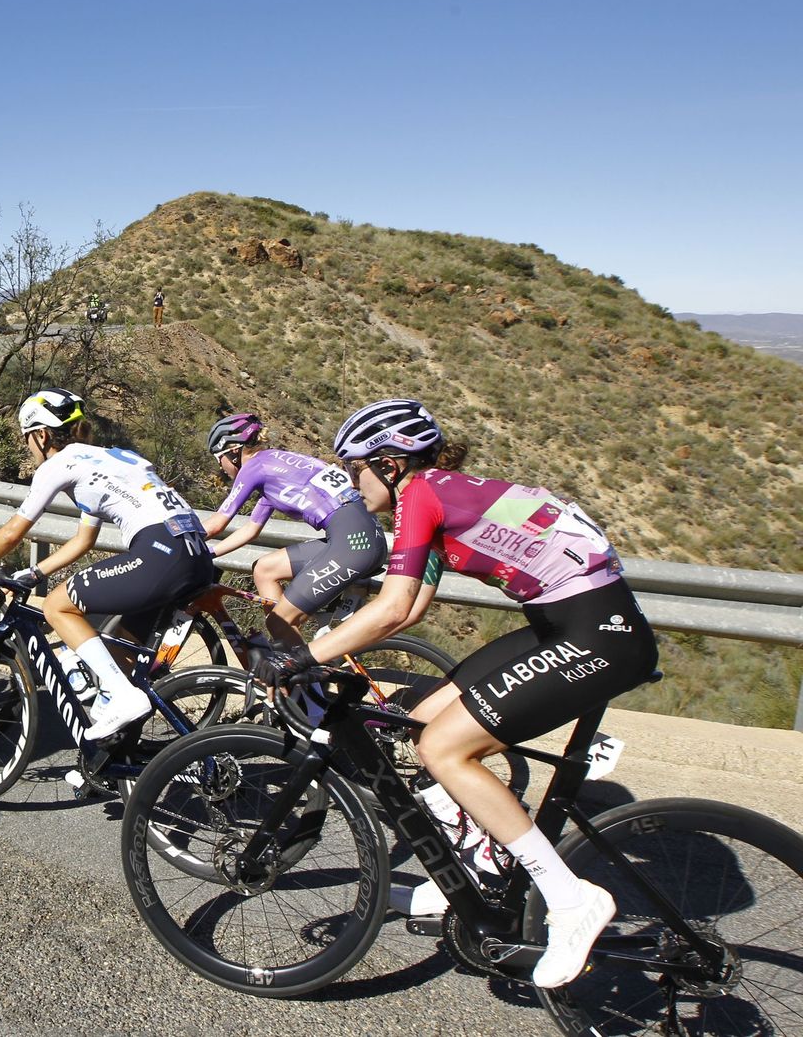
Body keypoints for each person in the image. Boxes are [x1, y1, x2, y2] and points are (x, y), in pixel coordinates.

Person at [256, 398, 658, 989]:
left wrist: (302, 656)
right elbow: (412, 605)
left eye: (353, 471)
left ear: (389, 465)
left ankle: (570, 898)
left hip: (596, 634)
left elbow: (393, 609)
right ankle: (467, 865)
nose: (349, 484)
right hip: (568, 622)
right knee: (420, 721)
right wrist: (334, 641)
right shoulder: (439, 494)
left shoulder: (422, 495)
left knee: (444, 750)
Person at [0, 388, 213, 740]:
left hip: (162, 552)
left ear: (40, 434)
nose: (29, 447)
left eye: (28, 439)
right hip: (196, 553)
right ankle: (111, 751)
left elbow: (12, 532)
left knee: (58, 606)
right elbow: (84, 540)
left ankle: (124, 699)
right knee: (119, 652)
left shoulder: (60, 464)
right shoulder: (110, 459)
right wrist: (37, 571)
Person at [200, 413, 386, 648]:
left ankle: (292, 660)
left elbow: (217, 523)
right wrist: (210, 554)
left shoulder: (254, 466)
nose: (221, 467)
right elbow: (250, 530)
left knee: (281, 622)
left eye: (219, 459)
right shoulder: (275, 466)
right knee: (265, 569)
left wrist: (177, 540)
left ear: (233, 451)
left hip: (354, 542)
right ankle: (285, 647)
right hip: (362, 537)